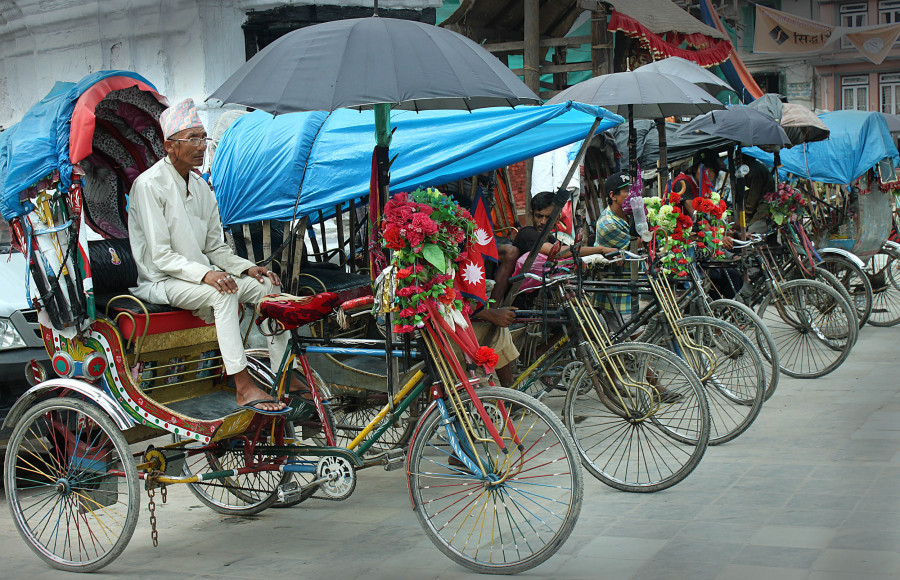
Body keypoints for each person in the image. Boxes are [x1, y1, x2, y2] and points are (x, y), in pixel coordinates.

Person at [128, 99, 292, 414]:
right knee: (222, 295)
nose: (202, 146)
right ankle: (243, 387)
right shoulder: (149, 186)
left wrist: (248, 270)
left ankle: (283, 374)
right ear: (169, 146)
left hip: (198, 278)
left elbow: (216, 248)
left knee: (268, 289)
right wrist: (207, 275)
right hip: (161, 281)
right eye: (193, 138)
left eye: (204, 138)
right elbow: (161, 256)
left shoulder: (202, 188)